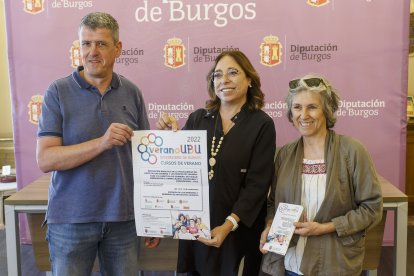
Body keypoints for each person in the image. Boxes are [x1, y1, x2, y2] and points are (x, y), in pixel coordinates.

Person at [36, 12, 149, 275]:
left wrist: (150, 219)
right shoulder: (58, 92)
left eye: (101, 43)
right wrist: (102, 142)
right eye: (86, 43)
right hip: (70, 220)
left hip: (124, 220)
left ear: (118, 48)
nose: (92, 51)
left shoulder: (132, 92)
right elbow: (46, 159)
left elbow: (145, 157)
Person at [155, 50, 276, 275]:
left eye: (233, 73)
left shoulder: (262, 124)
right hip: (196, 228)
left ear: (249, 80)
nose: (224, 80)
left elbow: (257, 186)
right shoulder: (198, 118)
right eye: (218, 75)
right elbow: (177, 172)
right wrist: (167, 136)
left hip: (237, 230)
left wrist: (229, 225)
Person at [260, 74, 383, 276]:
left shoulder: (352, 151)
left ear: (326, 110)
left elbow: (372, 208)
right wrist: (269, 226)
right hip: (290, 264)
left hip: (334, 264)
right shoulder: (284, 153)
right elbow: (273, 203)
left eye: (312, 107)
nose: (304, 115)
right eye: (297, 107)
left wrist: (325, 227)